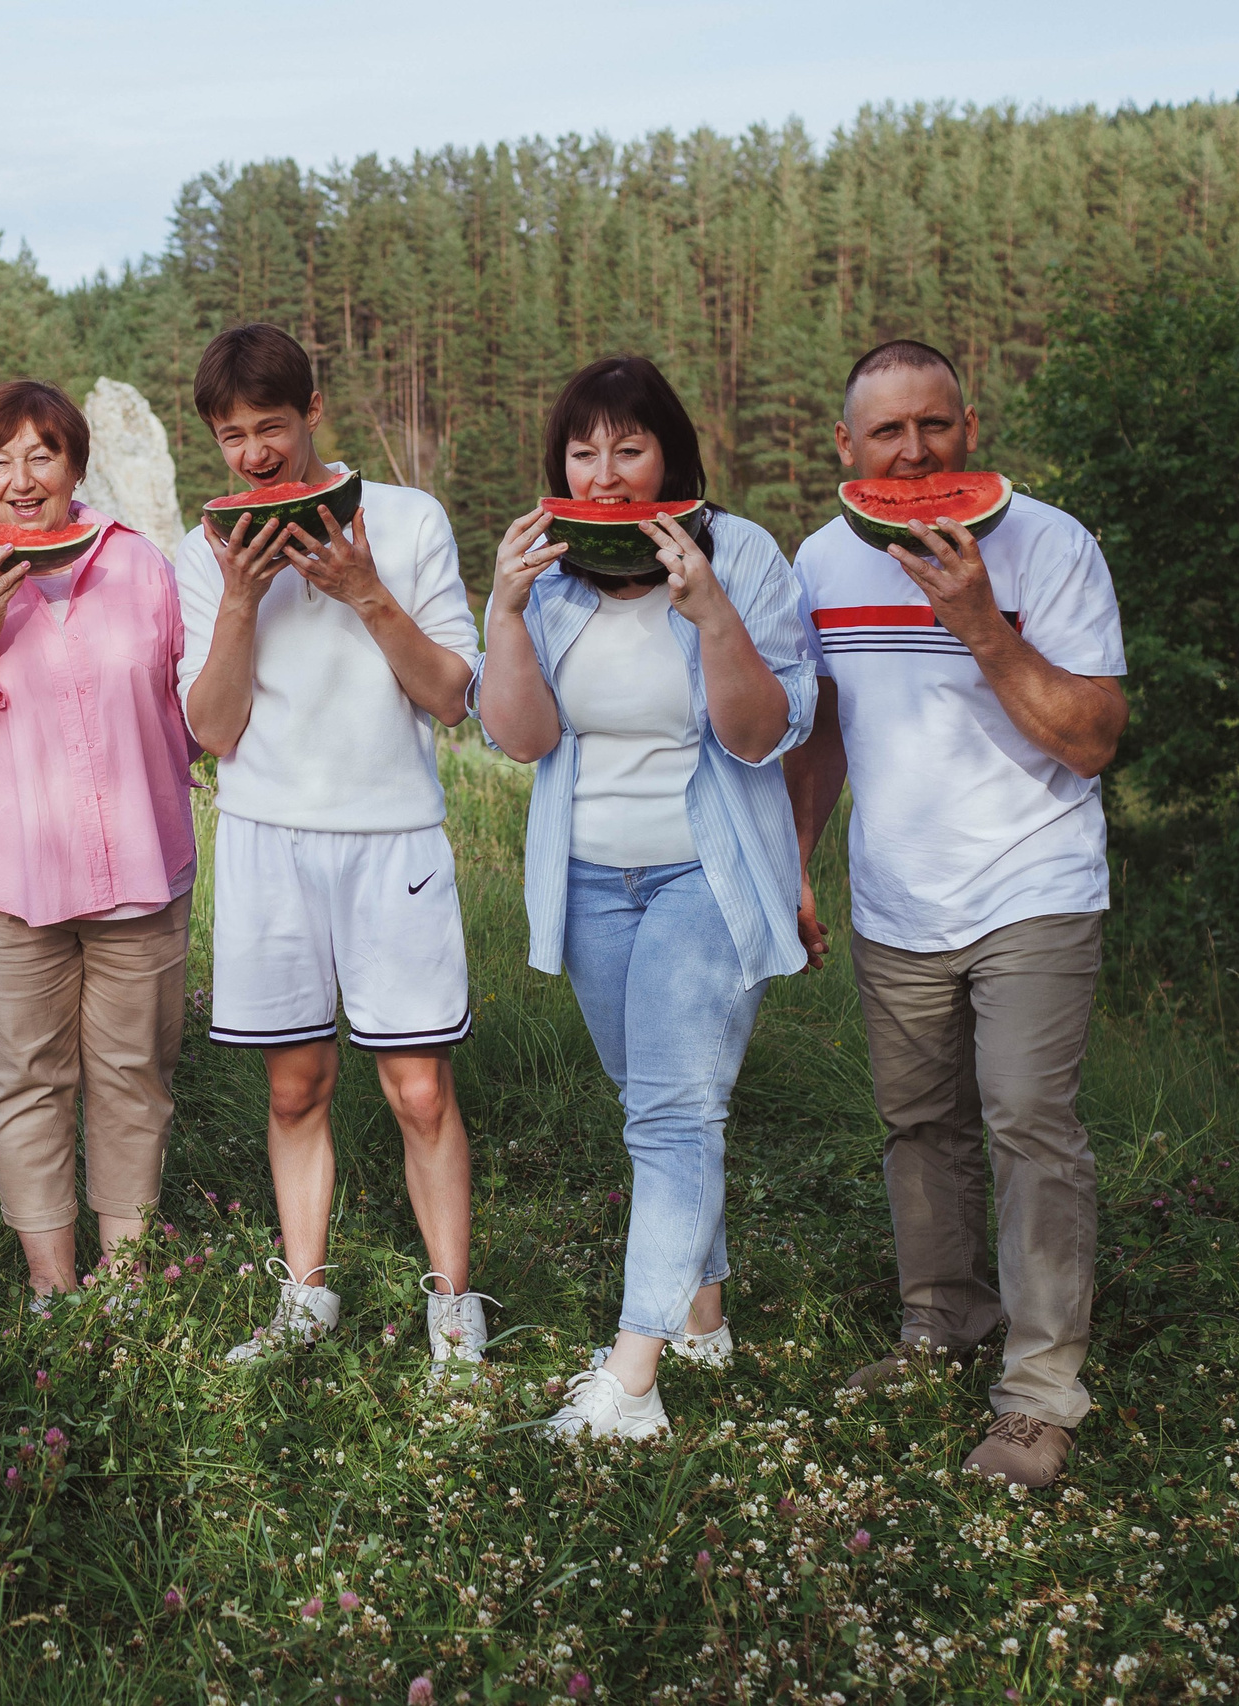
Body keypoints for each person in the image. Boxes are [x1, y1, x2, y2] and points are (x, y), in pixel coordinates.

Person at [783, 339, 1128, 1489]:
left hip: (1033, 880)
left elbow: (1091, 739)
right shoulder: (823, 558)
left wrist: (982, 620)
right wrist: (797, 862)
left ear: (968, 426)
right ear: (846, 447)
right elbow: (824, 727)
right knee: (917, 1122)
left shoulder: (1052, 544)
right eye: (885, 433)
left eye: (933, 426)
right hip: (895, 897)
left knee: (1029, 1120)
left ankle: (1038, 1393)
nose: (913, 451)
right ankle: (943, 1319)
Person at [474, 356, 816, 1440]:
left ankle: (630, 1382)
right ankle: (703, 1314)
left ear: (670, 452)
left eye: (629, 448)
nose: (606, 473)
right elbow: (521, 737)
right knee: (659, 1107)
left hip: (702, 875)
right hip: (584, 879)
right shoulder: (549, 565)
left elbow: (759, 733)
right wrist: (505, 609)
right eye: (583, 452)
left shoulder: (744, 553)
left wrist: (709, 609)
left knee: (673, 1112)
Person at [173, 324, 488, 1383]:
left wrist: (363, 591)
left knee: (418, 1090)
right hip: (267, 839)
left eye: (272, 428)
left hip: (390, 835)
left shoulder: (407, 519)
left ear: (315, 413)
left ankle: (454, 1307)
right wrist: (236, 597)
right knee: (294, 1088)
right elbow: (211, 731)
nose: (255, 456)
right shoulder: (202, 547)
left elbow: (450, 695)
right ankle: (305, 1293)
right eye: (232, 437)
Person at [0, 381, 198, 1300]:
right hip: (4, 886)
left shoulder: (142, 567)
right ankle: (54, 1289)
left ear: (74, 465)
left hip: (140, 874)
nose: (21, 480)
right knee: (25, 1085)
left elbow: (187, 717)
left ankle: (129, 1282)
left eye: (41, 456)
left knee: (135, 1079)